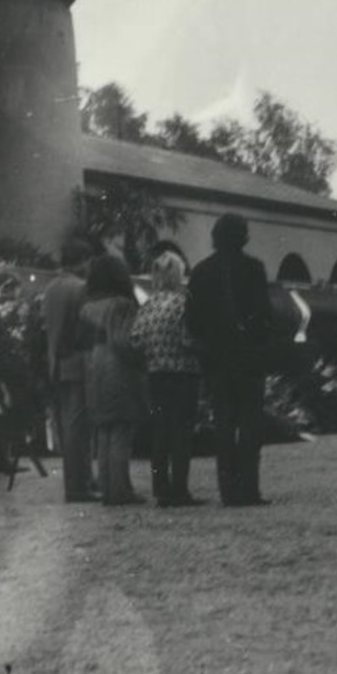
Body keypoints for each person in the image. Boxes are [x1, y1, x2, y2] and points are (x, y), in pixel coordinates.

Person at [185, 212, 274, 506]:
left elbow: (192, 320)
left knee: (223, 423)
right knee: (249, 424)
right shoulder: (254, 269)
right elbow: (265, 314)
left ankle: (227, 490)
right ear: (243, 237)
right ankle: (249, 488)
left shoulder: (201, 271)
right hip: (248, 357)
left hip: (216, 358)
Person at [131, 249, 203, 507]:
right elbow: (188, 339)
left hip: (156, 375)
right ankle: (180, 489)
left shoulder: (147, 306)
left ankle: (160, 488)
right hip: (183, 374)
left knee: (160, 433)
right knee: (181, 433)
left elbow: (136, 340)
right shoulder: (183, 304)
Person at [78, 254, 148, 506]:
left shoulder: (86, 306)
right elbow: (125, 342)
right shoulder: (122, 304)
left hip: (93, 369)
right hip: (118, 370)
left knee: (105, 432)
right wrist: (142, 357)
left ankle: (108, 488)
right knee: (121, 431)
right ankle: (120, 491)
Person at [42, 235, 98, 502]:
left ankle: (79, 481)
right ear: (84, 261)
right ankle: (78, 486)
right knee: (79, 429)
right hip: (76, 363)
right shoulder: (81, 288)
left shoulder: (51, 287)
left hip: (55, 363)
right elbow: (85, 328)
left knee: (68, 428)